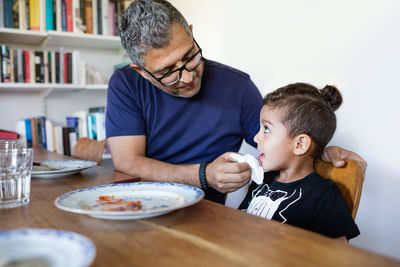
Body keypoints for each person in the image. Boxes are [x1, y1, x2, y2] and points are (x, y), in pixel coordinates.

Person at [106, 0, 366, 204]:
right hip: (134, 206)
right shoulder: (125, 83)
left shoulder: (238, 87)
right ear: (140, 71)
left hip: (205, 220)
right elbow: (127, 162)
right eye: (167, 72)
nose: (186, 77)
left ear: (192, 34)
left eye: (189, 56)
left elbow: (280, 141)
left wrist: (318, 149)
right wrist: (204, 175)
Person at [239, 83, 360, 240]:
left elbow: (338, 254)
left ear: (300, 144)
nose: (256, 138)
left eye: (266, 129)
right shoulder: (261, 179)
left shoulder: (323, 196)